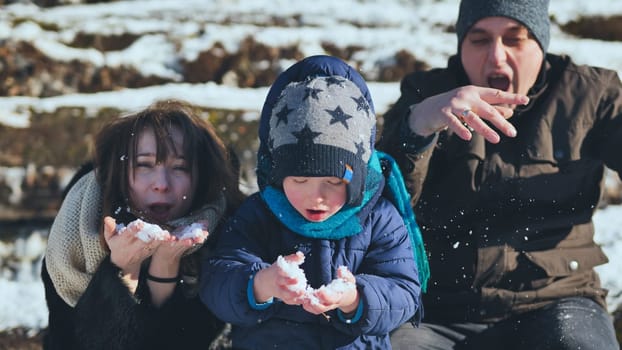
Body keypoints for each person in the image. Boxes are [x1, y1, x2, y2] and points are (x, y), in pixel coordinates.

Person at [377, 0, 622, 349]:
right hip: (437, 311)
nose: (496, 57)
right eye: (479, 40)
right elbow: (380, 203)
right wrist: (416, 128)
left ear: (541, 43)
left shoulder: (591, 94)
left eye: (515, 39)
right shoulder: (425, 94)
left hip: (559, 301)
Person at [200, 55, 427, 349]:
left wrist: (354, 297)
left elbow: (405, 292)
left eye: (333, 182)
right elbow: (217, 281)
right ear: (277, 175)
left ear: (357, 179)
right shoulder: (259, 214)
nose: (316, 196)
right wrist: (261, 284)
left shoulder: (379, 218)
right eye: (299, 181)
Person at [41, 99, 245, 350]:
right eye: (144, 165)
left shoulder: (227, 237)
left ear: (200, 177)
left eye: (179, 167)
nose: (161, 183)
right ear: (120, 171)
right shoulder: (77, 237)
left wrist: (166, 265)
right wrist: (121, 271)